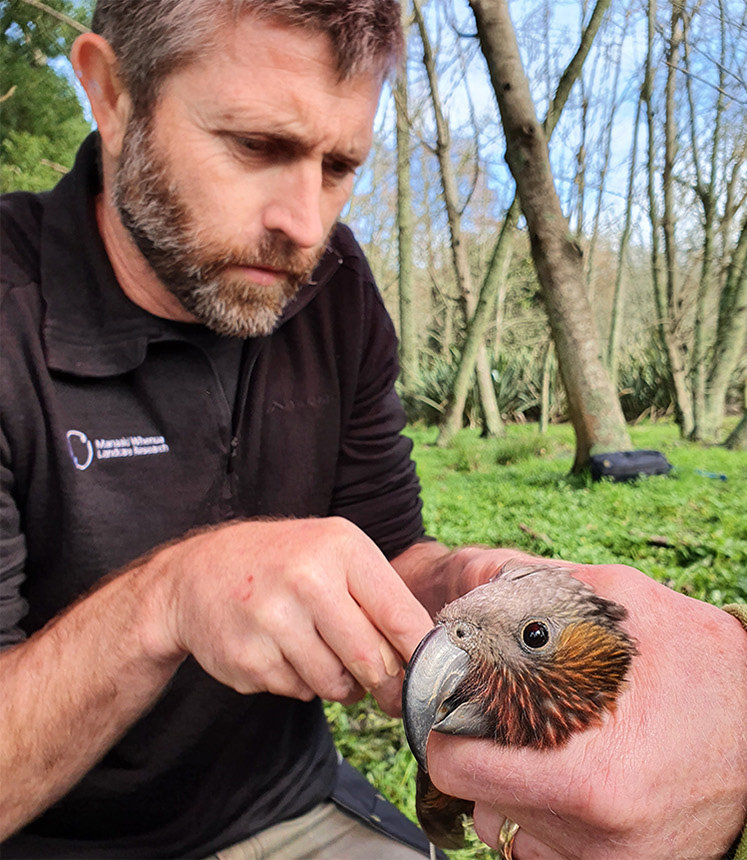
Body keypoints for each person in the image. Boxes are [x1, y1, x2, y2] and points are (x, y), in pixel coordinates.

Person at [0, 2, 744, 858]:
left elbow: (390, 550)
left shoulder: (334, 286)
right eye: (254, 145)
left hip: (289, 807)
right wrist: (165, 601)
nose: (305, 226)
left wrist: (474, 591)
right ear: (110, 91)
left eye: (340, 164)